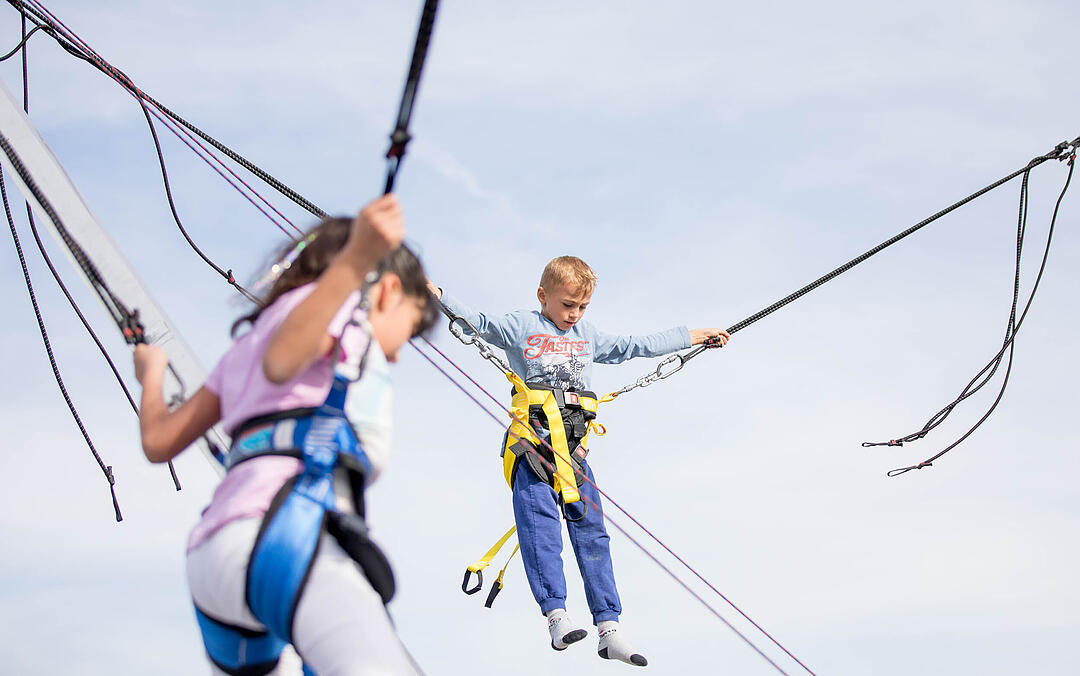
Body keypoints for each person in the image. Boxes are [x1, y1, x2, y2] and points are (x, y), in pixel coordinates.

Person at [134, 194, 438, 676]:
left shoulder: (246, 347)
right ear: (389, 291)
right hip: (282, 537)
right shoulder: (344, 310)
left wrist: (150, 375)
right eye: (412, 326)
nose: (400, 353)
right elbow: (282, 363)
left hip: (211, 558)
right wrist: (358, 260)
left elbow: (159, 441)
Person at [428, 256, 729, 668]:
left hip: (573, 452)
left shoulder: (587, 335)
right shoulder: (523, 326)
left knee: (593, 535)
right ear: (543, 296)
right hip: (531, 447)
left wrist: (694, 336)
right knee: (541, 530)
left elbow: (634, 347)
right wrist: (439, 296)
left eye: (583, 307)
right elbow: (481, 323)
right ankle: (556, 614)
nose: (575, 315)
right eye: (568, 305)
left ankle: (610, 628)